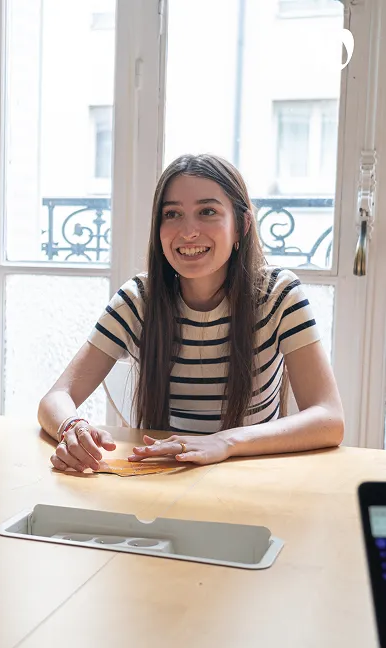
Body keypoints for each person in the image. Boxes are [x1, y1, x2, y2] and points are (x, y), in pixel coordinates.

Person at [38, 153, 345, 473]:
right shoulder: (138, 300)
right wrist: (73, 428)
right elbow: (56, 397)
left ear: (242, 225)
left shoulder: (277, 295)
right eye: (172, 214)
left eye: (207, 211)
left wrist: (225, 442)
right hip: (162, 477)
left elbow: (328, 418)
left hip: (251, 478)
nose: (188, 232)